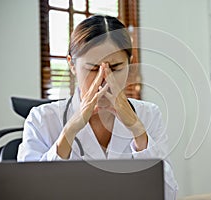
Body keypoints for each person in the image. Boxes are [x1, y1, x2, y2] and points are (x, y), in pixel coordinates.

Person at [17, 15, 178, 199]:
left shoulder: (149, 115)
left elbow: (168, 194)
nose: (104, 81)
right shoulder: (42, 119)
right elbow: (28, 192)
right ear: (72, 64)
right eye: (93, 69)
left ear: (130, 63)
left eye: (116, 68)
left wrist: (138, 131)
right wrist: (69, 131)